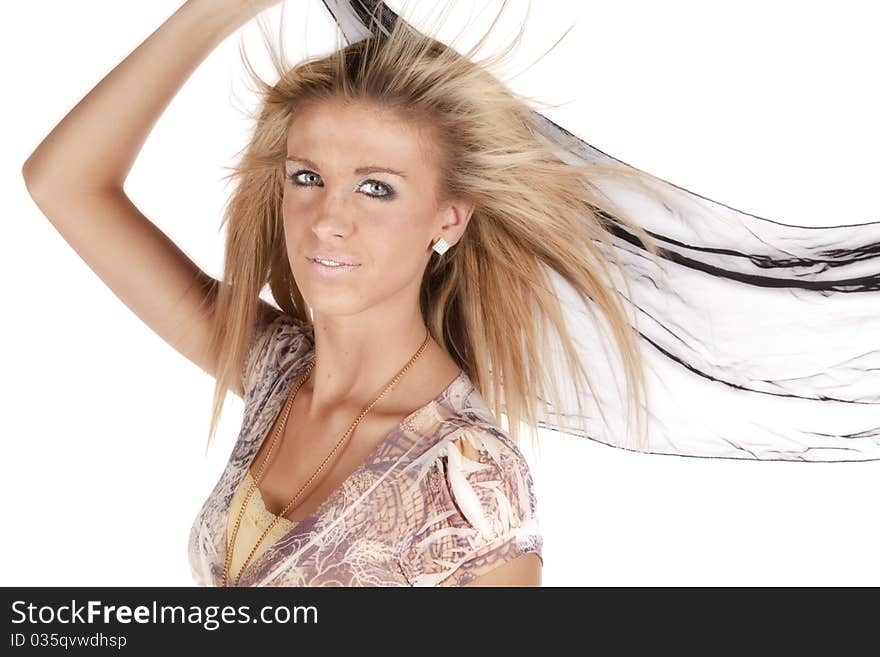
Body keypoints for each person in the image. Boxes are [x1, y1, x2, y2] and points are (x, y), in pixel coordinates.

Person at [22, 0, 880, 586]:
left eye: (378, 187)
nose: (328, 220)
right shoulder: (276, 369)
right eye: (308, 175)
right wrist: (214, 12)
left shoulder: (471, 483)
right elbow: (62, 182)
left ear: (449, 219)